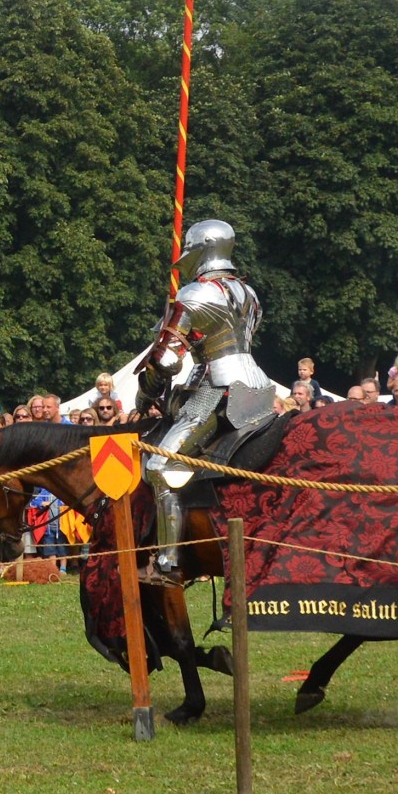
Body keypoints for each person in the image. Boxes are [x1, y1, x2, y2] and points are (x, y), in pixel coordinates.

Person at [138, 220, 272, 580]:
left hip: (218, 389)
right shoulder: (249, 293)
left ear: (201, 250)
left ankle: (168, 563)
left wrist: (145, 392)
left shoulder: (194, 294)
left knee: (160, 469)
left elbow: (165, 359)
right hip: (259, 386)